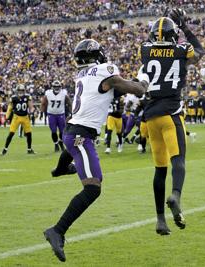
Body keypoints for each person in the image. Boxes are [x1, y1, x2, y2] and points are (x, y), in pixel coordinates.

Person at [43, 39, 147, 262]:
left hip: (73, 132)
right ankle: (57, 230)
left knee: (72, 149)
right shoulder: (104, 71)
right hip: (81, 135)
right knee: (93, 188)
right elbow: (135, 89)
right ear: (95, 56)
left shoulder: (82, 75)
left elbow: (110, 91)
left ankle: (60, 169)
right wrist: (143, 83)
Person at [139, 9, 204, 235]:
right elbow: (200, 51)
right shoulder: (181, 49)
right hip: (171, 113)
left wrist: (163, 24)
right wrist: (183, 26)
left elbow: (151, 40)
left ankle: (160, 220)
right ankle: (176, 195)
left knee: (159, 170)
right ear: (174, 35)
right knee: (178, 160)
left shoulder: (145, 49)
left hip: (150, 118)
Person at [1, 84, 35, 155]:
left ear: (24, 91)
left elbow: (31, 106)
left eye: (22, 90)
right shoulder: (13, 98)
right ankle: (5, 149)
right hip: (16, 117)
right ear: (17, 91)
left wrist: (31, 112)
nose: (20, 92)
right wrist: (7, 118)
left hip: (25, 117)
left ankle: (29, 149)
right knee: (11, 133)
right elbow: (9, 108)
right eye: (19, 90)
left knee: (29, 134)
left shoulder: (27, 97)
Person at [41, 80, 73, 152]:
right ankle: (56, 144)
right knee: (53, 131)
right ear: (52, 87)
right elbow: (43, 103)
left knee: (62, 131)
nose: (56, 88)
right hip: (51, 114)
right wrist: (42, 112)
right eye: (55, 87)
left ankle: (61, 142)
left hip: (61, 114)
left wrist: (71, 111)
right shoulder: (48, 93)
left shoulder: (63, 93)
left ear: (60, 87)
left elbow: (69, 102)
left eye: (58, 87)